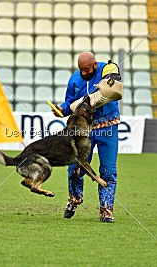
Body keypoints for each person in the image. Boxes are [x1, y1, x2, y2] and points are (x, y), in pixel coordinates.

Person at [51, 52, 121, 223]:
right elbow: (70, 103)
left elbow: (114, 85)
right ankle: (74, 199)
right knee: (75, 167)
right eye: (81, 70)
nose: (83, 74)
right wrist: (61, 109)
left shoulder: (106, 69)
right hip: (83, 130)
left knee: (108, 170)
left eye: (86, 70)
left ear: (95, 64)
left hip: (108, 126)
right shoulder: (75, 79)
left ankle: (106, 210)